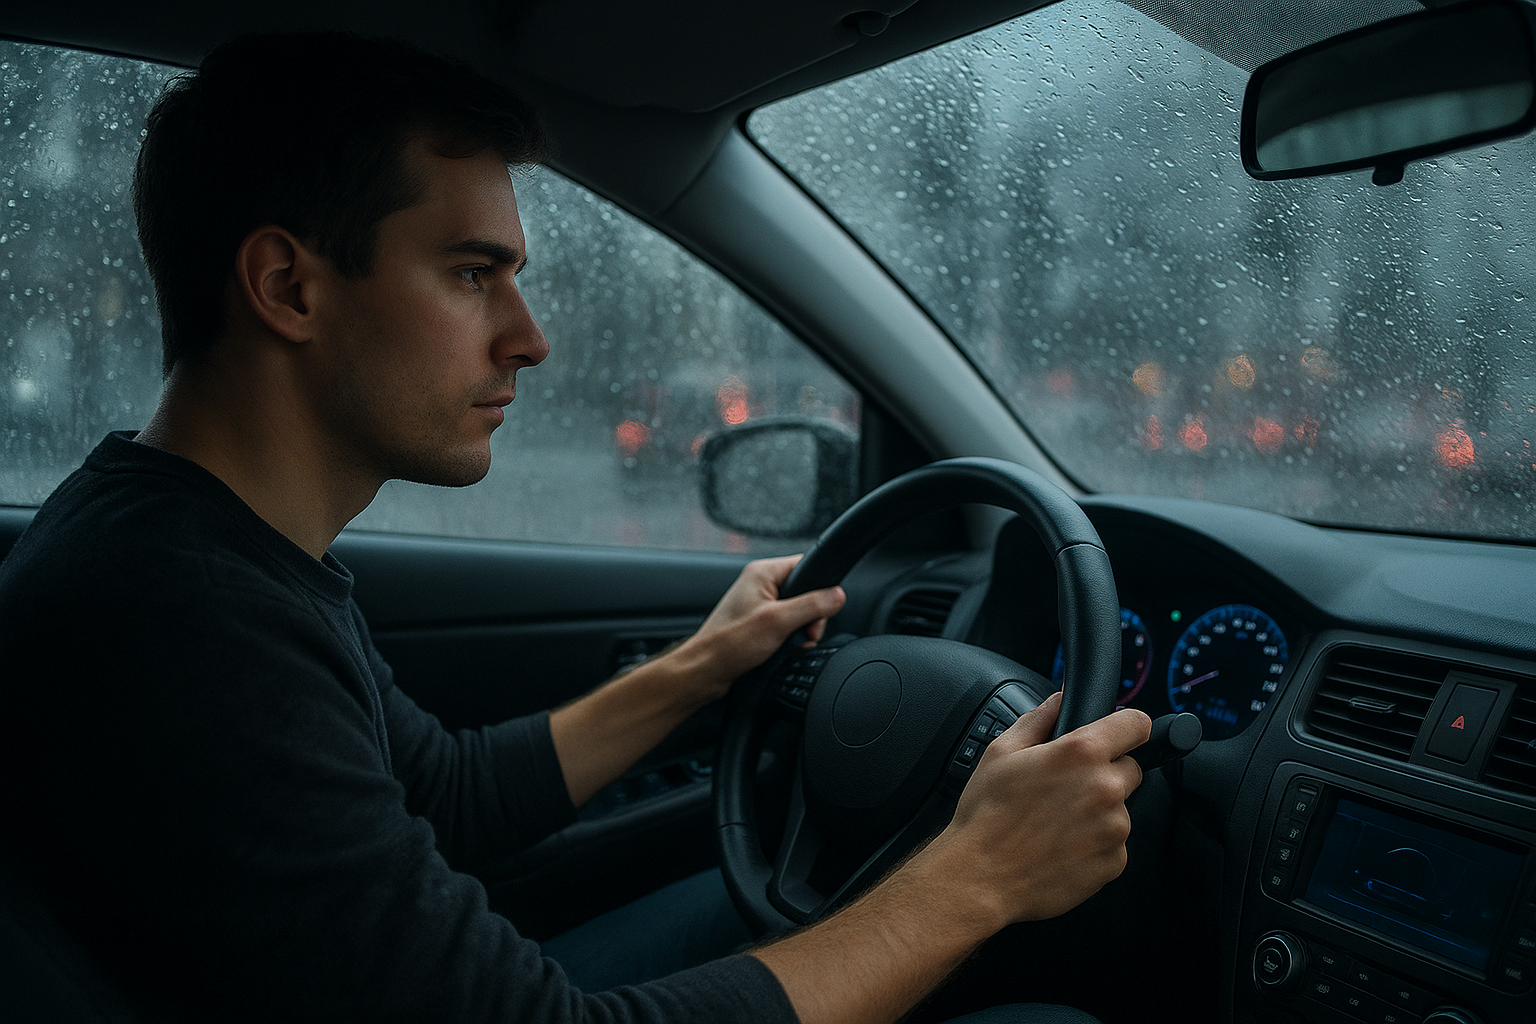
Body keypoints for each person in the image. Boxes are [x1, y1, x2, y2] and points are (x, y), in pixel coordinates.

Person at [0, 31, 1151, 1024]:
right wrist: (983, 873)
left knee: (756, 902)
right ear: (288, 287)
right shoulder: (182, 622)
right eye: (471, 273)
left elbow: (448, 797)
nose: (529, 336)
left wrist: (702, 668)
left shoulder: (197, 548)